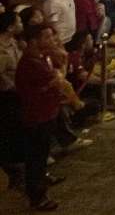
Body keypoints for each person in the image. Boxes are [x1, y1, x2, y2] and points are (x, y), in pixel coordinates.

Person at [15, 24, 68, 211]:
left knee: (41, 155)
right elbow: (54, 82)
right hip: (37, 116)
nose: (51, 41)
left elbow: (60, 76)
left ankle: (41, 185)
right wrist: (55, 81)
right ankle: (37, 196)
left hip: (47, 112)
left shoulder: (43, 57)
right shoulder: (30, 63)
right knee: (35, 158)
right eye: (46, 37)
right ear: (33, 42)